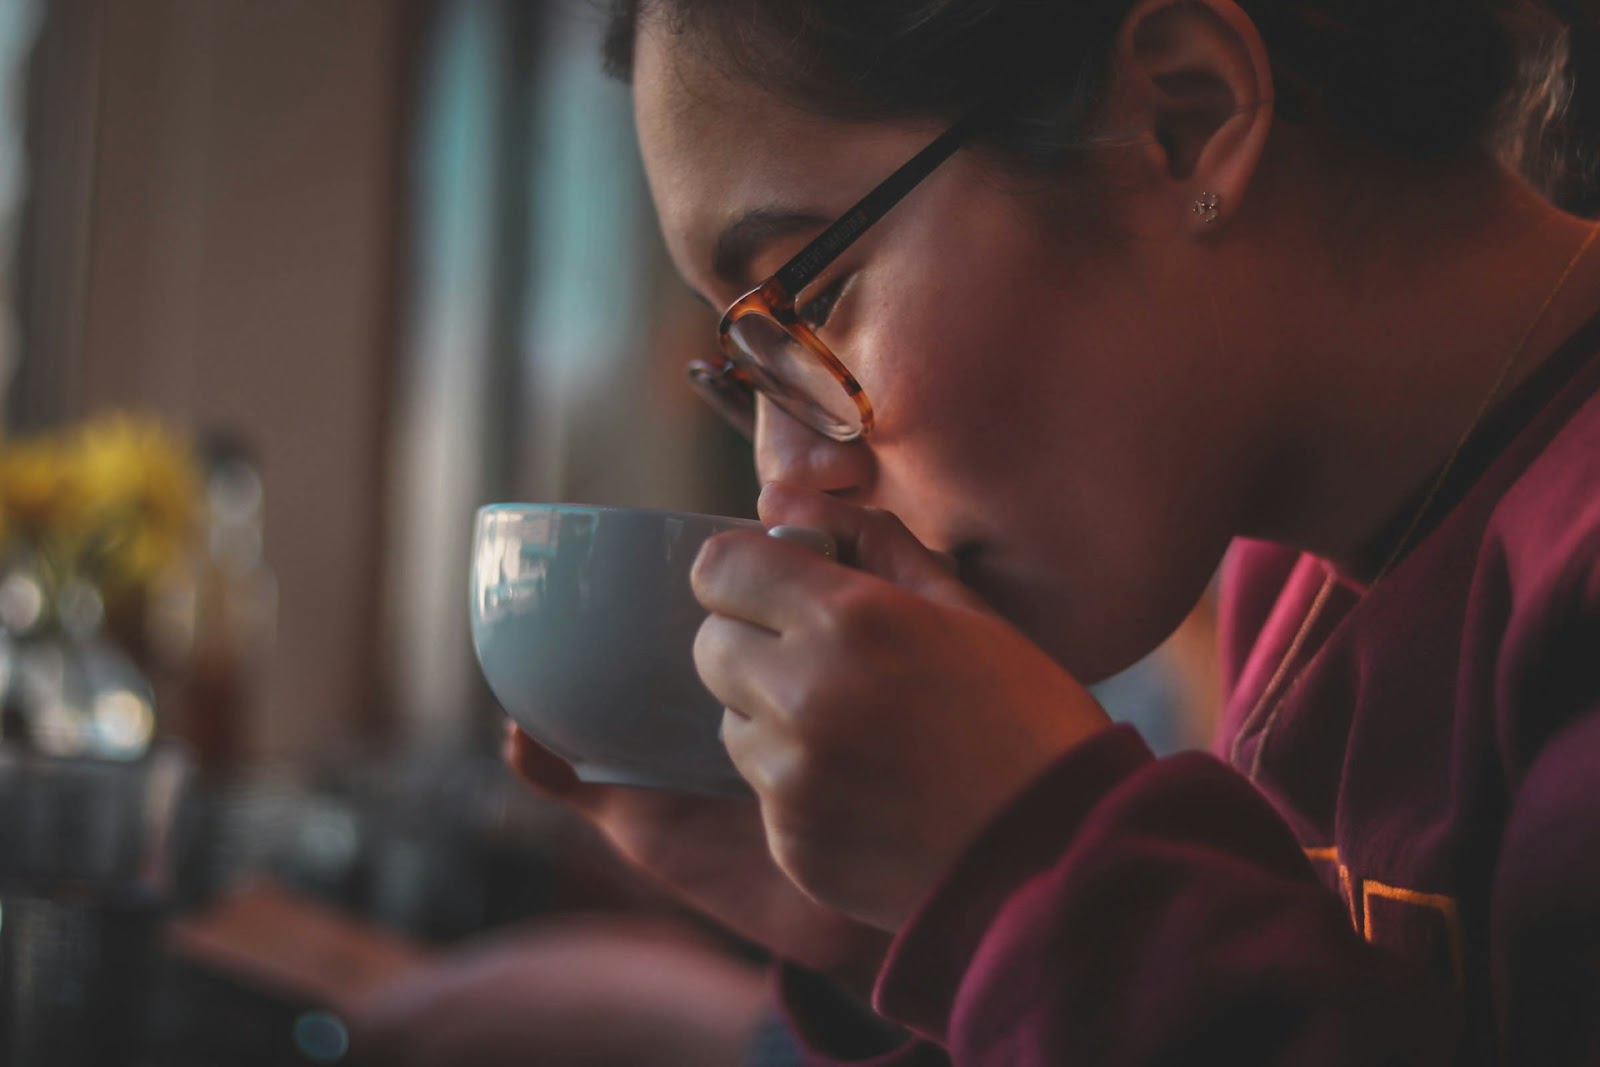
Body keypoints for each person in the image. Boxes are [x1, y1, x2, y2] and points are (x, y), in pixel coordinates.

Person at [501, 0, 1600, 1063]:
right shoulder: (1292, 568)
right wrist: (903, 939)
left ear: (1181, 119)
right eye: (748, 374)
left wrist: (1021, 880)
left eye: (814, 301)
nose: (788, 488)